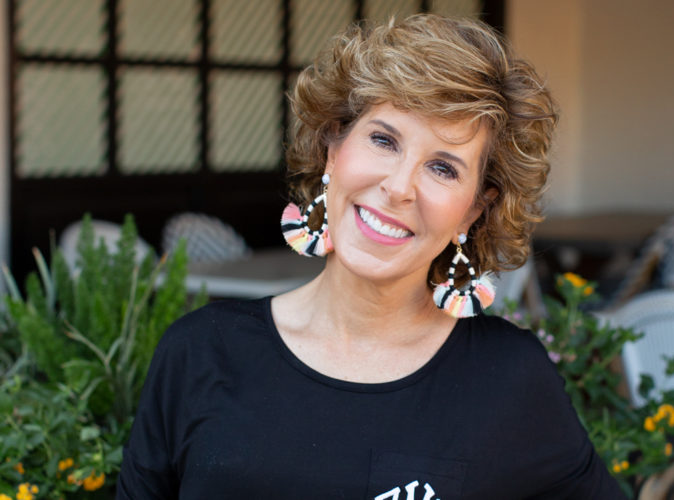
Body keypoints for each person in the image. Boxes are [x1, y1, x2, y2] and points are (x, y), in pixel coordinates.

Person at [117, 14, 624, 499]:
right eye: (383, 139)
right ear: (333, 149)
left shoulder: (509, 379)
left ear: (474, 210)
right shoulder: (200, 352)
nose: (399, 187)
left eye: (443, 168)